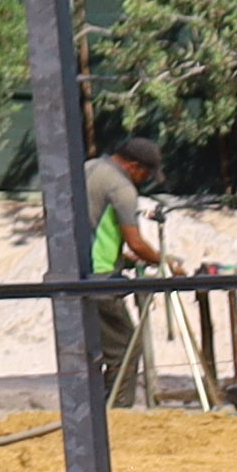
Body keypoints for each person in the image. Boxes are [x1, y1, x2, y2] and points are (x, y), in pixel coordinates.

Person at [80, 144, 172, 403]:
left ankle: (99, 409)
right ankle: (118, 412)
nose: (144, 182)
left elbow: (95, 228)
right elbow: (137, 242)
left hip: (79, 274)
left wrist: (123, 259)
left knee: (96, 352)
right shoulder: (121, 188)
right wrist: (167, 262)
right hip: (101, 280)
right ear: (135, 167)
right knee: (126, 349)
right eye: (145, 175)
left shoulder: (89, 169)